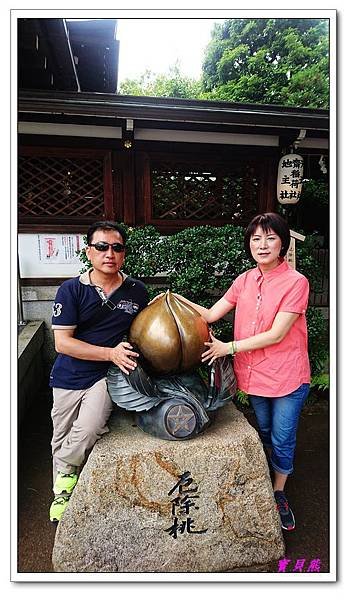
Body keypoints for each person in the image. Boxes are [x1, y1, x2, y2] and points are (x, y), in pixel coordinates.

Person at [167, 212, 310, 531]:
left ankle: (278, 492)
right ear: (249, 244)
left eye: (270, 238)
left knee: (283, 436)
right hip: (256, 374)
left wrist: (227, 348)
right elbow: (211, 313)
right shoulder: (244, 280)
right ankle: (268, 473)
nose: (262, 245)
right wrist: (174, 299)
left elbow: (276, 334)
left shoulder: (296, 282)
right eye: (256, 238)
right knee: (265, 431)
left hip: (287, 375)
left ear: (283, 244)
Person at [49, 221, 149, 522]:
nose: (110, 253)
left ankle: (64, 477)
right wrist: (110, 351)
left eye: (117, 247)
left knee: (90, 426)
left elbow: (144, 331)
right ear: (88, 251)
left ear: (124, 253)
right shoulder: (71, 290)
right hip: (69, 374)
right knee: (62, 434)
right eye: (102, 247)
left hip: (108, 375)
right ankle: (62, 492)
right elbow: (62, 343)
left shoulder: (137, 290)